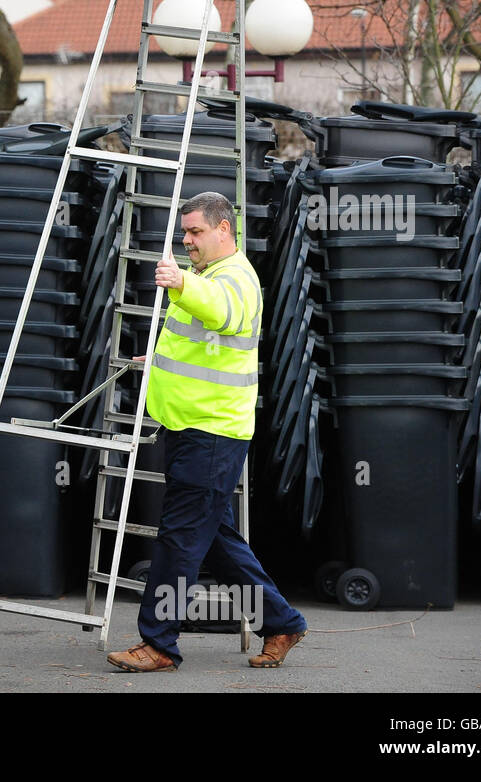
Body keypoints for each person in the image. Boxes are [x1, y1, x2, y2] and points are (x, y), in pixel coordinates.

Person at [106, 192, 308, 673]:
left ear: (224, 229)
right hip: (193, 429)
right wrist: (156, 364)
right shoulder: (206, 276)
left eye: (195, 232)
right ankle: (282, 622)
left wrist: (179, 283)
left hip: (211, 434)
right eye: (185, 232)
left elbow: (226, 314)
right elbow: (206, 348)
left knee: (178, 539)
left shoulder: (233, 277)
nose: (187, 240)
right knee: (214, 540)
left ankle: (158, 644)